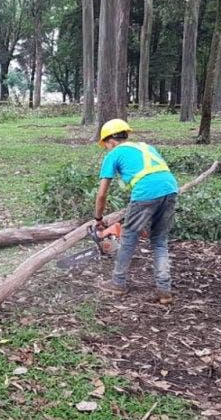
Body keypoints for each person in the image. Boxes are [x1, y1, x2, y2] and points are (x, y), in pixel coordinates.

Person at [92, 119, 179, 305]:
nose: (106, 149)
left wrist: (98, 218)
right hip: (170, 188)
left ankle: (118, 283)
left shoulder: (114, 153)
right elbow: (152, 176)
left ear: (111, 141)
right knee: (159, 242)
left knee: (129, 237)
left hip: (146, 192)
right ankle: (164, 290)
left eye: (105, 146)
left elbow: (101, 195)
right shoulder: (146, 147)